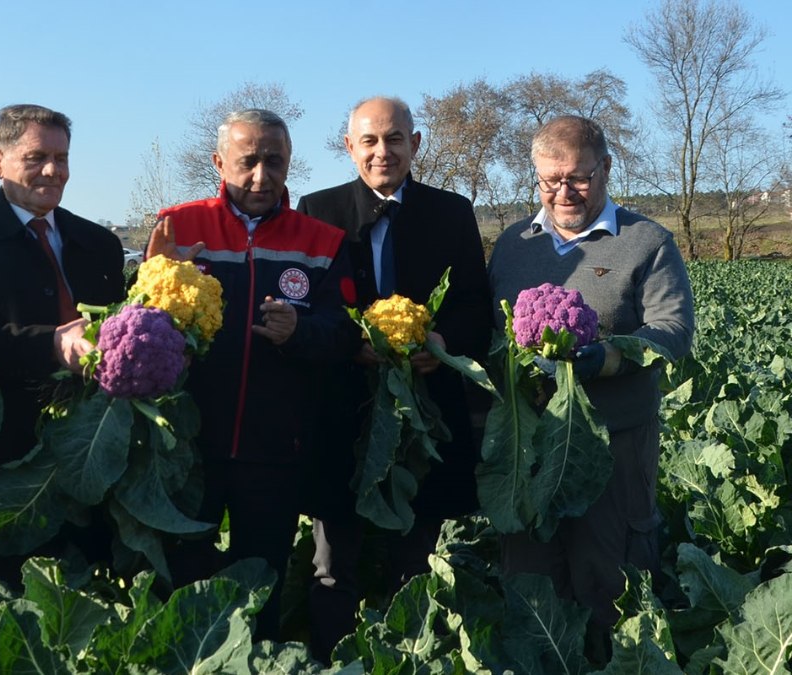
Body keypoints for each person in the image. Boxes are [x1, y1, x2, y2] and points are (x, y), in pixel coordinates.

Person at [147, 108, 360, 641]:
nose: (261, 176)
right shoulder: (177, 225)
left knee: (258, 586)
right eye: (248, 162)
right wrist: (152, 279)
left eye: (275, 162)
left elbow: (345, 334)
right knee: (177, 583)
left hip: (275, 449)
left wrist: (300, 332)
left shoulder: (322, 241)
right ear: (220, 161)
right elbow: (134, 327)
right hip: (187, 444)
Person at [487, 114, 694, 660]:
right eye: (550, 180)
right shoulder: (512, 245)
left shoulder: (646, 241)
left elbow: (672, 331)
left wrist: (605, 358)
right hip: (530, 444)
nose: (562, 192)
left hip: (613, 442)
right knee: (531, 580)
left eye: (578, 177)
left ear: (604, 168)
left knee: (612, 577)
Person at [296, 96, 492, 660]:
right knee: (334, 558)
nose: (384, 152)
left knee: (418, 551)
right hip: (345, 411)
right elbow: (310, 305)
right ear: (349, 146)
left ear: (416, 144)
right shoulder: (319, 210)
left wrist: (442, 342)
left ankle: (413, 655)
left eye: (395, 139)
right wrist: (348, 344)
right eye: (370, 141)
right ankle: (335, 658)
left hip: (427, 412)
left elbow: (475, 303)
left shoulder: (451, 212)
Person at [0, 104, 125, 589]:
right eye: (36, 157)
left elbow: (118, 329)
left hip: (83, 446)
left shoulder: (98, 243)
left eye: (62, 157)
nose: (53, 170)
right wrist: (51, 346)